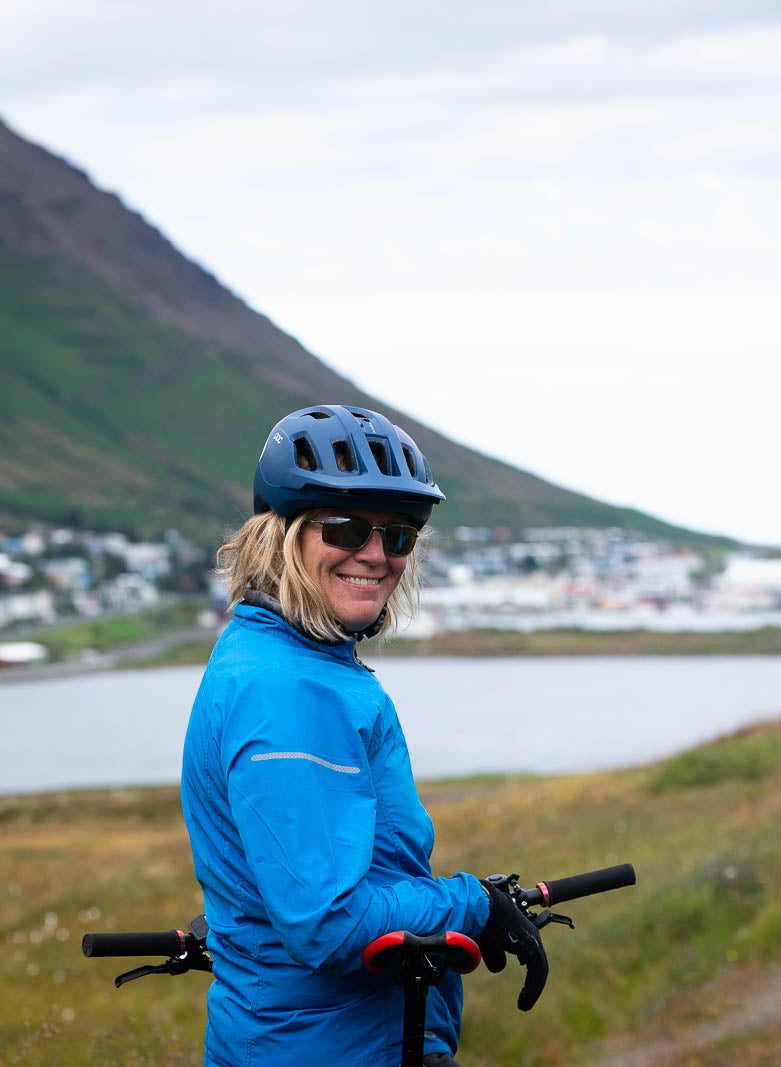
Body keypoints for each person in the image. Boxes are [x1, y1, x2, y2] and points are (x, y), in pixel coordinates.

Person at [180, 404, 546, 1066]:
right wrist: (473, 904)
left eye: (398, 535)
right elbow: (328, 921)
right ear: (281, 536)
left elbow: (292, 877)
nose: (376, 555)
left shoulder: (290, 662)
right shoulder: (288, 691)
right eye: (347, 527)